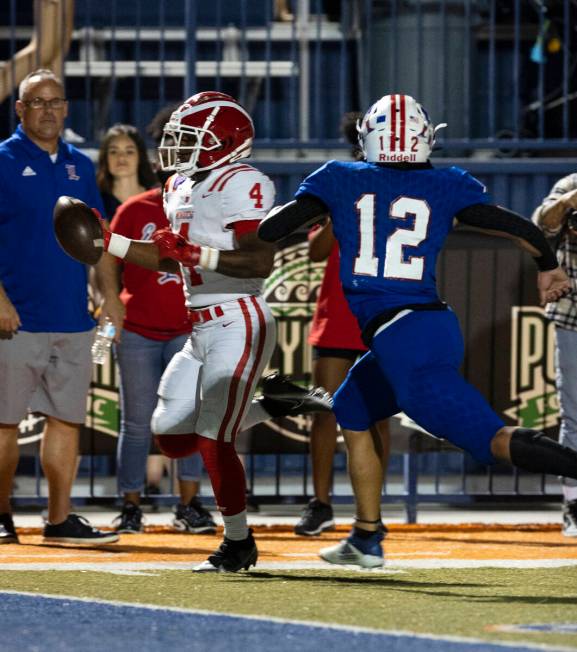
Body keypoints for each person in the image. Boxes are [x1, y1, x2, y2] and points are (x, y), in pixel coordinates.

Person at [258, 93, 577, 568]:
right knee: (351, 407)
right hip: (419, 326)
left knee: (492, 437)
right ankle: (366, 537)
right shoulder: (447, 183)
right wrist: (548, 266)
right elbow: (515, 227)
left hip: (404, 338)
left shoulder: (338, 178)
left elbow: (270, 231)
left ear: (368, 136)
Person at [97, 91, 332, 570]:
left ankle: (238, 542)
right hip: (198, 326)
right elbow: (166, 254)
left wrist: (195, 254)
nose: (175, 146)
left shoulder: (244, 182)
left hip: (238, 316)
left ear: (223, 142)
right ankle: (278, 401)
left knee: (211, 436)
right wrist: (111, 242)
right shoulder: (179, 185)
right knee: (169, 433)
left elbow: (261, 259)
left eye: (189, 138)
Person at [0, 68, 118, 545]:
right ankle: (1, 516)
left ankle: (58, 519)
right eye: (37, 102)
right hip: (16, 319)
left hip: (73, 317)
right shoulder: (3, 160)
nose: (47, 109)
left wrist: (109, 296)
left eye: (55, 101)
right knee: (4, 423)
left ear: (67, 108)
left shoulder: (80, 164)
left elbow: (98, 237)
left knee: (66, 421)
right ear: (20, 109)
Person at [97, 111, 216, 535]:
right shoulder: (133, 209)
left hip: (187, 328)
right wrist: (112, 299)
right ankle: (130, 505)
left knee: (186, 417)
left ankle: (189, 505)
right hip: (139, 330)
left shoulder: (202, 209)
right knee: (135, 421)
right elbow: (107, 256)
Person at [295, 113, 390, 537]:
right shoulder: (339, 187)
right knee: (324, 413)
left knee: (377, 417)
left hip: (380, 315)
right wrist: (339, 210)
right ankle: (321, 503)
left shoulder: (398, 186)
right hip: (336, 317)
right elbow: (316, 251)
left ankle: (372, 508)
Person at [532, 174, 577, 537]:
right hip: (573, 317)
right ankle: (573, 503)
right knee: (574, 413)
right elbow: (541, 223)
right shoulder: (570, 185)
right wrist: (570, 201)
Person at [96, 123, 158, 220]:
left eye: (129, 152)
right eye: (113, 152)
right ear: (105, 158)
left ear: (140, 156)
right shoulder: (97, 202)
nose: (121, 157)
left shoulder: (157, 199)